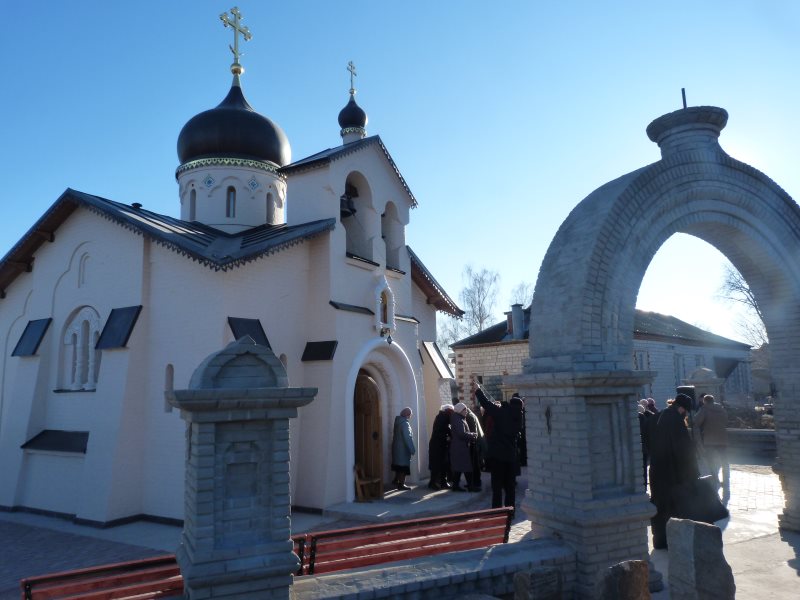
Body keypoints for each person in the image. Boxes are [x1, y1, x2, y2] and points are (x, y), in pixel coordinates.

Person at [648, 393, 699, 549]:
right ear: (682, 408)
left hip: (657, 470)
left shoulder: (658, 416)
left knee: (659, 505)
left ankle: (660, 540)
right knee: (675, 507)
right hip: (673, 473)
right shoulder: (676, 421)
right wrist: (693, 471)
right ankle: (674, 541)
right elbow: (684, 450)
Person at [474, 381, 524, 509]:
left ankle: (496, 512)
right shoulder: (519, 418)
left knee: (497, 487)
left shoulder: (502, 413)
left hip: (497, 456)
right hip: (511, 457)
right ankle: (510, 512)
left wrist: (478, 390)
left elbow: (486, 403)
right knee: (510, 487)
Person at [694, 394, 729, 492]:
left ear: (705, 401)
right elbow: (726, 420)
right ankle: (726, 479)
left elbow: (696, 422)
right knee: (724, 461)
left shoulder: (704, 409)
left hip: (710, 439)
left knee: (711, 460)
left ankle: (715, 478)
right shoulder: (721, 409)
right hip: (722, 438)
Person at [449, 402, 478, 491]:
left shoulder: (458, 418)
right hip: (460, 447)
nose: (466, 411)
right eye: (464, 410)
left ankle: (456, 486)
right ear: (459, 410)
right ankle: (470, 486)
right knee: (466, 467)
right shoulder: (458, 419)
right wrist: (472, 435)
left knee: (460, 467)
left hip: (460, 446)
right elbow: (461, 433)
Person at [428, 404, 453, 489]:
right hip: (438, 445)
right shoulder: (443, 418)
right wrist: (448, 437)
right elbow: (441, 431)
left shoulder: (442, 417)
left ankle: (442, 482)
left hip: (439, 445)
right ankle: (433, 483)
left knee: (442, 465)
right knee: (437, 465)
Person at [391, 407, 415, 490]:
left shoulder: (398, 422)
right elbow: (407, 437)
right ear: (407, 415)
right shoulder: (404, 424)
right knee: (403, 467)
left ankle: (395, 480)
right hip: (403, 449)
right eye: (410, 415)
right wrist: (412, 449)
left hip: (397, 448)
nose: (410, 416)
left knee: (398, 465)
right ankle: (401, 484)